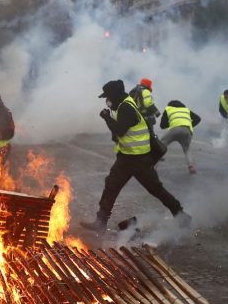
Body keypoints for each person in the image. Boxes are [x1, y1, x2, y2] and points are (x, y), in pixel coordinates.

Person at [80, 80, 191, 233]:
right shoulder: (124, 104)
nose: (107, 101)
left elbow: (120, 130)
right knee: (111, 186)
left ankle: (181, 215)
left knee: (156, 189)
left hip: (139, 160)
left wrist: (106, 117)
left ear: (115, 95)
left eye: (108, 97)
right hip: (126, 158)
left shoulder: (126, 107)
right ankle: (101, 221)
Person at [160, 100, 201, 174]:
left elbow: (162, 125)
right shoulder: (186, 110)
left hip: (175, 130)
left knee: (160, 145)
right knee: (186, 149)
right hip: (187, 131)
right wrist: (189, 125)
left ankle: (154, 165)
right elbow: (198, 119)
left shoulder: (168, 109)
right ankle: (191, 166)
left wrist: (172, 122)